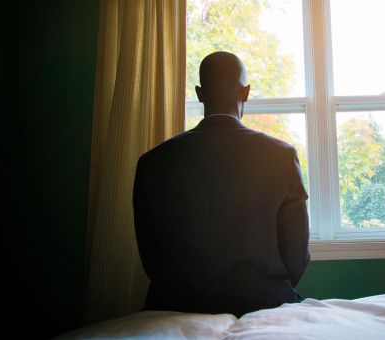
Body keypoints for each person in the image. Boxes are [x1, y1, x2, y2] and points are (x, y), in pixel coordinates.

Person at [133, 51, 310, 317]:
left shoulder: (153, 162)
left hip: (176, 303)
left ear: (200, 93)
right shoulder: (281, 156)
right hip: (265, 301)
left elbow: (150, 254)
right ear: (246, 93)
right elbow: (297, 252)